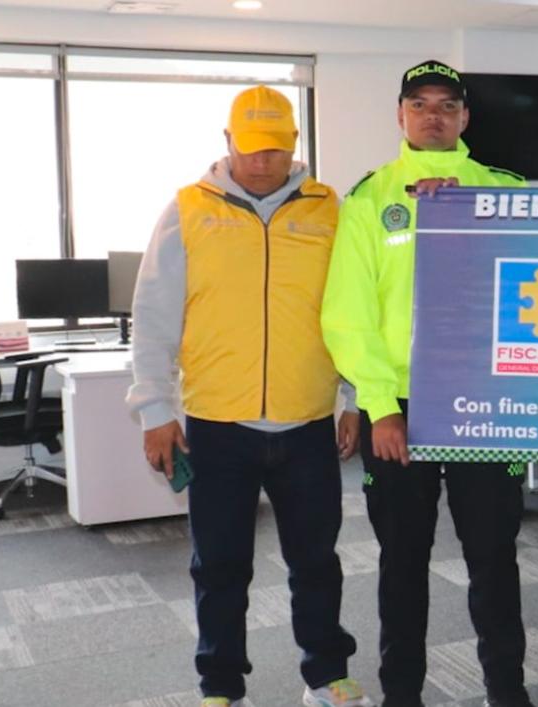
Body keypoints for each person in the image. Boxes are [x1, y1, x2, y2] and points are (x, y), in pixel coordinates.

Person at [126, 85, 372, 707]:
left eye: (275, 148)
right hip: (217, 424)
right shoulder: (188, 209)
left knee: (316, 562)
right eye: (250, 148)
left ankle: (326, 675)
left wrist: (352, 397)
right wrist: (155, 410)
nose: (261, 162)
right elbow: (153, 316)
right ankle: (220, 686)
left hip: (308, 421)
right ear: (227, 141)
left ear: (294, 145)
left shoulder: (329, 209)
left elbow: (348, 311)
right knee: (220, 567)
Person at [321, 60, 531, 707]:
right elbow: (347, 316)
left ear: (465, 117)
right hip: (401, 410)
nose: (433, 115)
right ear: (401, 116)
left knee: (493, 560)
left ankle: (507, 692)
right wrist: (379, 407)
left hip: (484, 404)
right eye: (420, 104)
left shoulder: (507, 191)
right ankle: (401, 695)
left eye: (447, 105)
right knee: (403, 563)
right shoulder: (369, 198)